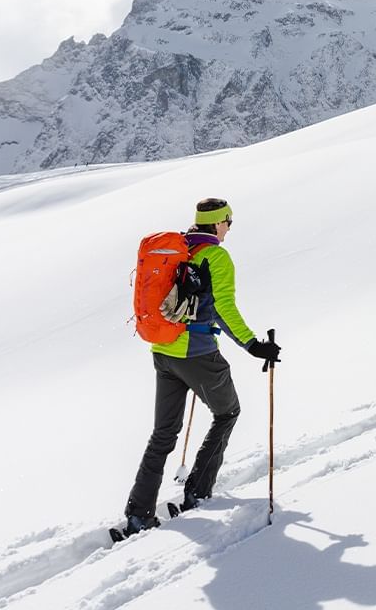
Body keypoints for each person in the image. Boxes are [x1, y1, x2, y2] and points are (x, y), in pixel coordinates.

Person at [117, 198, 281, 539]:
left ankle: (138, 513)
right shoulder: (216, 256)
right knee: (228, 411)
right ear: (218, 222)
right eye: (229, 222)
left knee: (163, 433)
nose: (229, 228)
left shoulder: (179, 248)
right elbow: (224, 308)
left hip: (163, 351)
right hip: (197, 353)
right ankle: (199, 491)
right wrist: (254, 346)